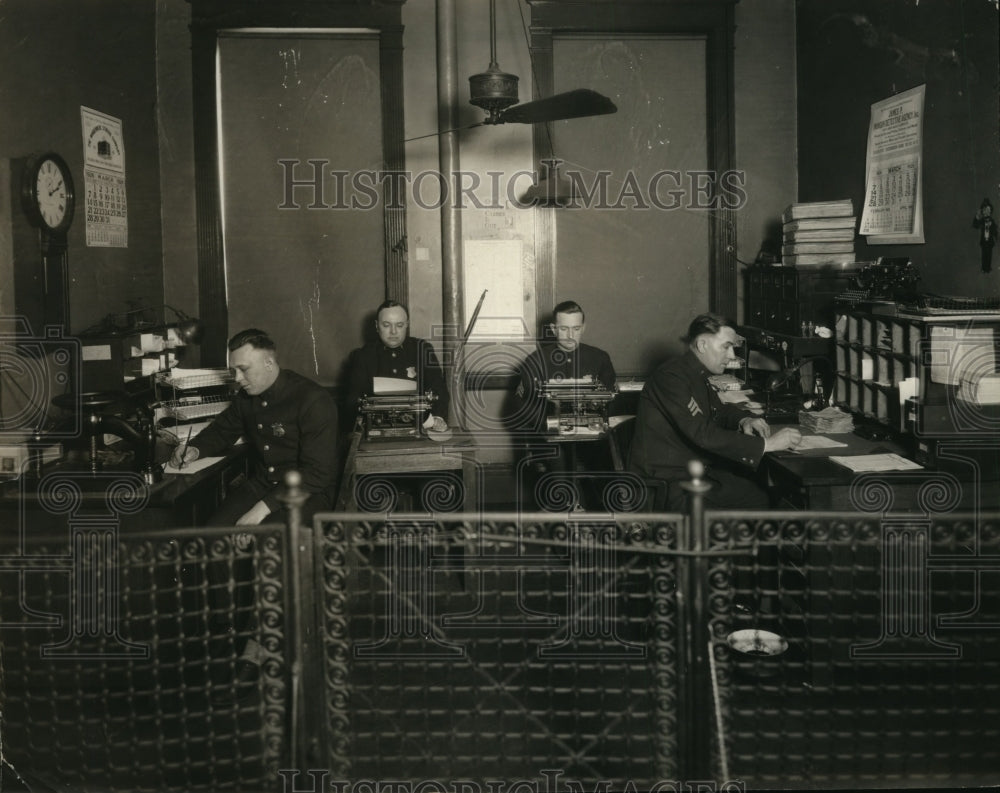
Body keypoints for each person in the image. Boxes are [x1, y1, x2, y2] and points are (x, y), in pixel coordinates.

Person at [169, 328, 339, 698]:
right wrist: (194, 450)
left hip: (306, 494)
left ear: (270, 362)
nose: (238, 379)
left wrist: (260, 511)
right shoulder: (249, 395)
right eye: (234, 371)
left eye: (244, 369)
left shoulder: (312, 399)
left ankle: (257, 646)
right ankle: (227, 629)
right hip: (264, 485)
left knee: (268, 544)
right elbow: (222, 430)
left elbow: (318, 474)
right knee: (213, 533)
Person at [629, 312, 801, 510]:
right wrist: (766, 444)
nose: (731, 356)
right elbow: (703, 434)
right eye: (726, 347)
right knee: (759, 499)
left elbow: (719, 409)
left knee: (757, 492)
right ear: (702, 345)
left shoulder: (694, 373)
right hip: (666, 483)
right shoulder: (672, 377)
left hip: (688, 471)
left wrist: (744, 420)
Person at [514, 300, 617, 509]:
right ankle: (567, 509)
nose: (570, 336)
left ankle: (612, 513)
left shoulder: (599, 358)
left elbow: (611, 397)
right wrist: (547, 424)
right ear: (553, 329)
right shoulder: (536, 361)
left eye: (576, 329)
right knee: (558, 457)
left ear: (583, 328)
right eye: (563, 328)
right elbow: (520, 406)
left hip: (592, 432)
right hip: (550, 433)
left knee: (610, 458)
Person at [345, 300, 450, 431]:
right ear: (377, 326)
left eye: (399, 325)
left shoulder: (422, 350)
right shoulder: (363, 356)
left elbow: (439, 390)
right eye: (386, 325)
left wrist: (437, 419)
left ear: (407, 325)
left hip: (421, 426)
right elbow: (352, 401)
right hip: (377, 429)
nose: (393, 331)